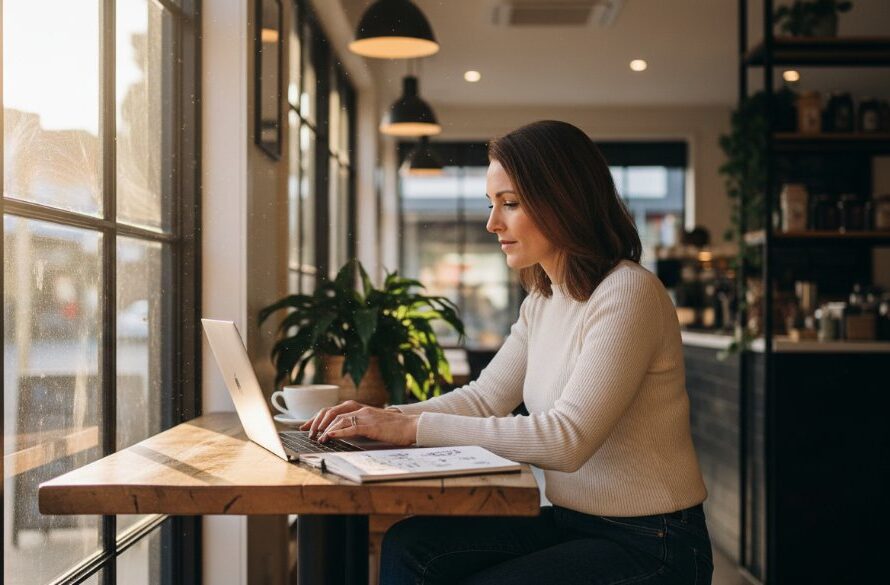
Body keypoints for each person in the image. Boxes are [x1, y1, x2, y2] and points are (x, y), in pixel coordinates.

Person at [302, 120, 713, 584]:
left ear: (564, 201)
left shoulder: (627, 292)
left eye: (510, 203)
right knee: (410, 545)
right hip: (571, 520)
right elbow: (482, 399)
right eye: (492, 204)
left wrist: (410, 428)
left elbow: (565, 439)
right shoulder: (544, 300)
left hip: (651, 543)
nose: (492, 223)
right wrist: (380, 418)